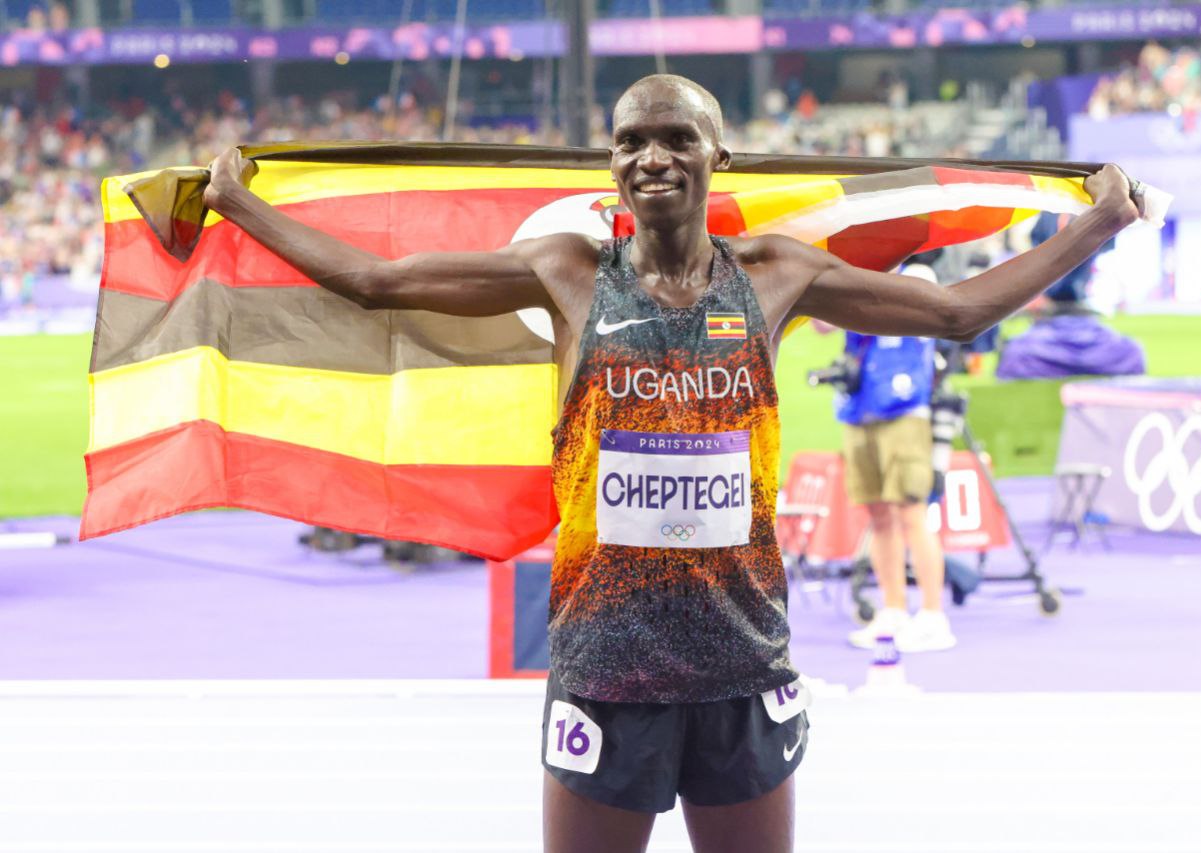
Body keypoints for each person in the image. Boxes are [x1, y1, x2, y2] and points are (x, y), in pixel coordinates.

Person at [202, 74, 1139, 853]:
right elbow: (379, 282)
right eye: (631, 141)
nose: (652, 156)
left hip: (742, 659)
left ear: (715, 156)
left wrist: (1094, 227)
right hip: (607, 665)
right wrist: (236, 202)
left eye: (676, 137)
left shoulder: (776, 273)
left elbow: (956, 313)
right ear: (611, 164)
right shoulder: (565, 268)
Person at [816, 262, 955, 652]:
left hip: (904, 408)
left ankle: (932, 615)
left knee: (911, 510)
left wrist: (856, 282)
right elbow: (821, 324)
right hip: (859, 406)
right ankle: (893, 609)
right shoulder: (850, 272)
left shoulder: (918, 272)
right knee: (878, 515)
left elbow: (904, 308)